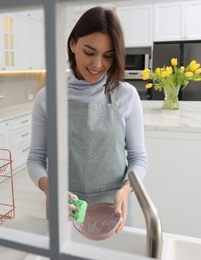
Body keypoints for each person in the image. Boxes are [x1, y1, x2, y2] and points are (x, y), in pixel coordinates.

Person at [27, 6, 148, 232]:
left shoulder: (126, 95)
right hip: (63, 209)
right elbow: (35, 159)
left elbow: (139, 158)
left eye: (108, 56)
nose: (97, 64)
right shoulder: (48, 97)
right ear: (73, 44)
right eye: (89, 52)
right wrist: (49, 188)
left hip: (113, 209)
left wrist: (126, 189)